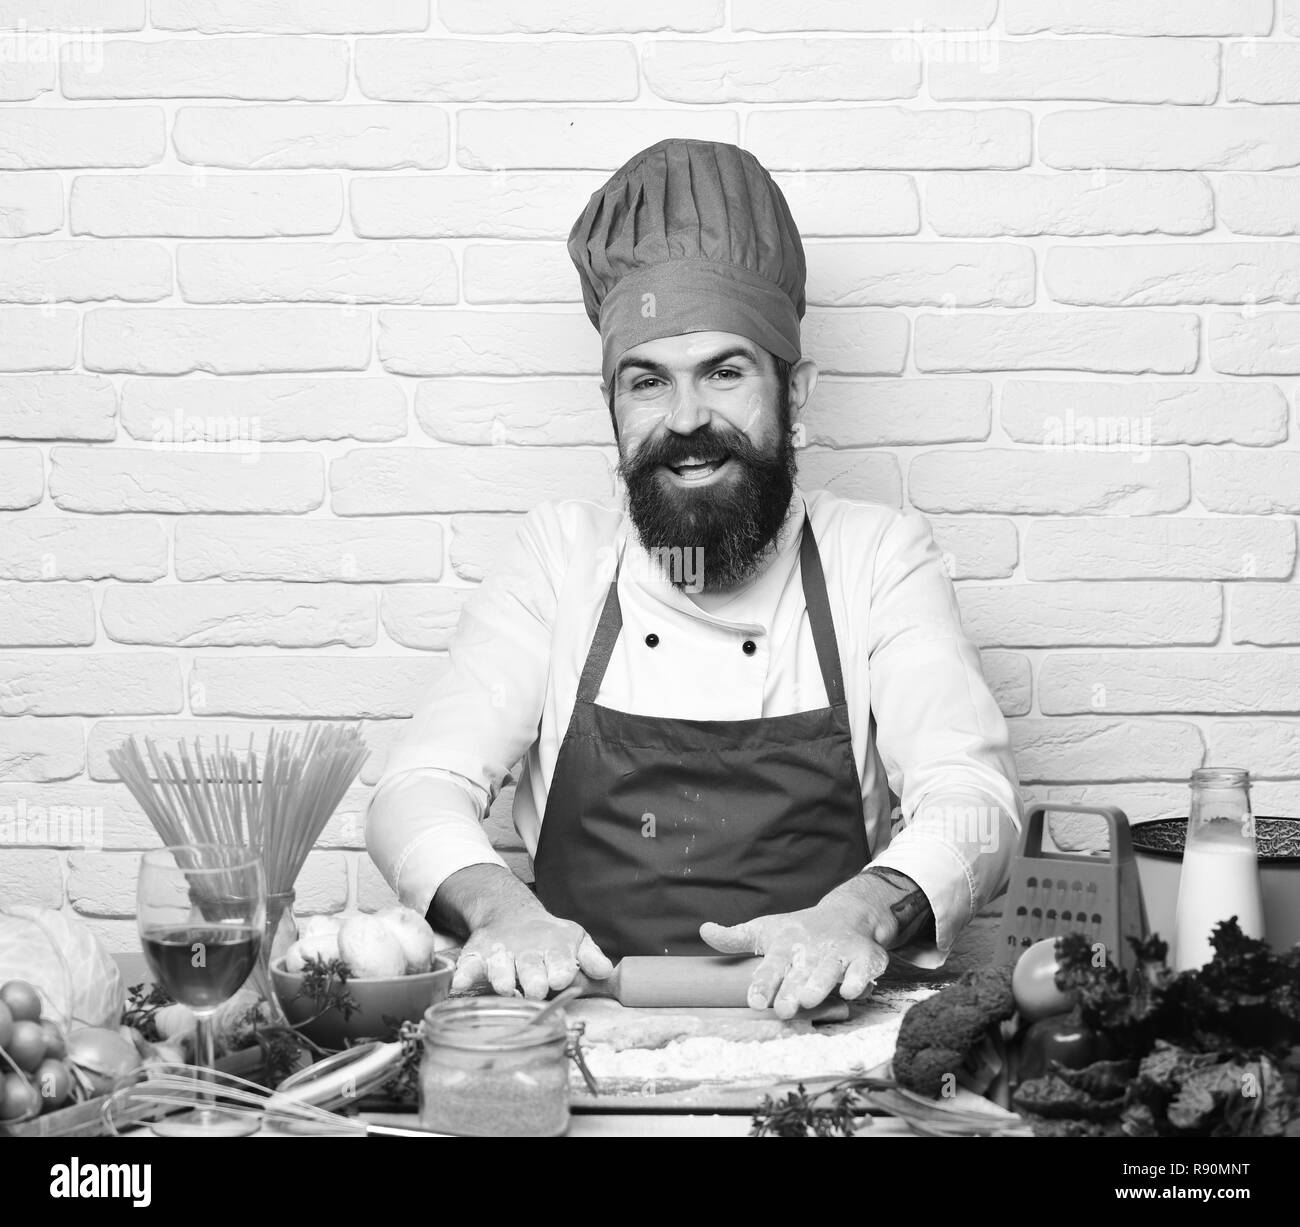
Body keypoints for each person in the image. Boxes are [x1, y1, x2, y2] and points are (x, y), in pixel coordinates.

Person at [367, 138, 1023, 1018]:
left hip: (818, 1038)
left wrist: (858, 914)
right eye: (647, 382)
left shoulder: (879, 555)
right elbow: (415, 787)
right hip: (576, 1045)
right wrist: (504, 913)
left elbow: (972, 798)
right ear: (612, 408)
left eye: (725, 371)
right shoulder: (559, 558)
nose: (687, 419)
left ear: (797, 393)